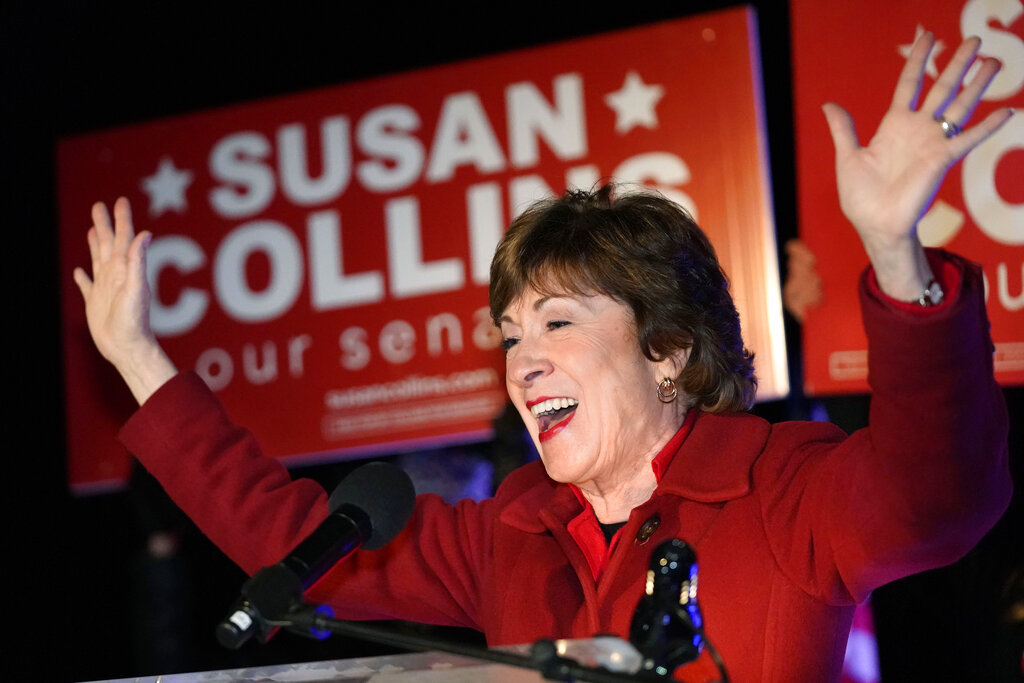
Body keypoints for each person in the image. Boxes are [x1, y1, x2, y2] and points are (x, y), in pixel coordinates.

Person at [73, 33, 1013, 682]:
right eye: (511, 335)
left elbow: (941, 495)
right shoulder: (511, 534)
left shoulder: (781, 492)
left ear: (667, 348)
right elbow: (287, 537)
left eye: (557, 323)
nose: (522, 360)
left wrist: (898, 254)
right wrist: (139, 358)